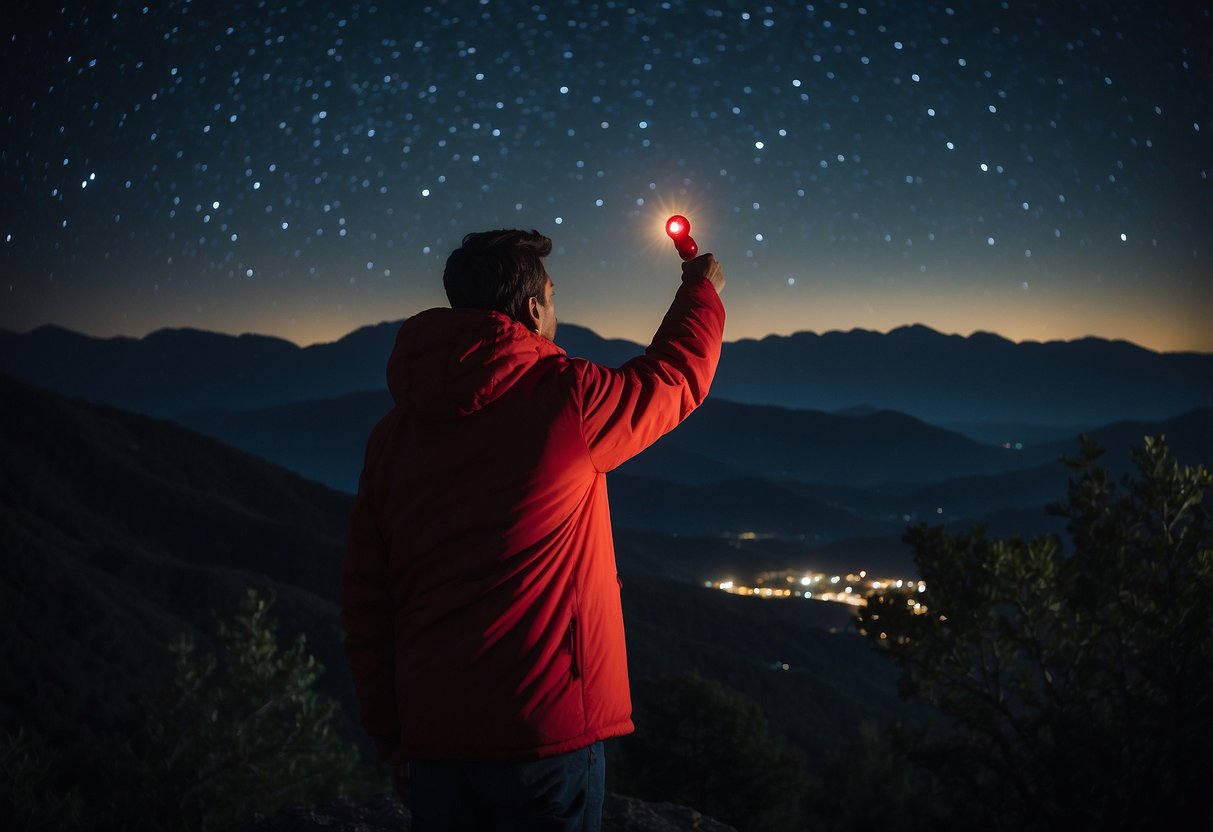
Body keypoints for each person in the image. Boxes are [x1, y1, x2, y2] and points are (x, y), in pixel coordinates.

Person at [341, 228, 726, 830]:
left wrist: (392, 737)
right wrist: (700, 291)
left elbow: (367, 600)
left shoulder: (390, 438)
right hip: (543, 734)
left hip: (433, 733)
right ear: (530, 308)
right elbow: (674, 379)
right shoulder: (568, 399)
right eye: (551, 293)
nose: (555, 306)